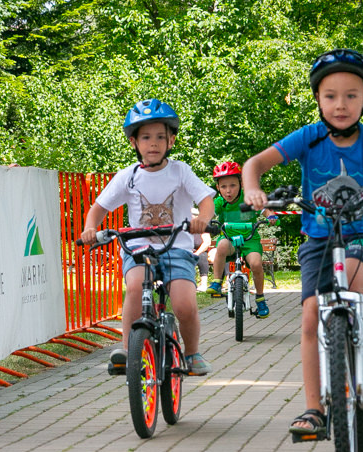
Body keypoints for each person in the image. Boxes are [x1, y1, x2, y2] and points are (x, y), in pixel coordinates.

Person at [243, 49, 363, 437]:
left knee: (356, 281)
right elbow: (254, 164)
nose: (340, 104)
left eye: (351, 95)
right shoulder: (309, 138)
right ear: (318, 100)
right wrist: (253, 188)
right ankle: (314, 409)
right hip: (320, 239)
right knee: (310, 317)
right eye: (330, 96)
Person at [79, 98, 215, 375]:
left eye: (160, 137)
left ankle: (191, 353)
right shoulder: (127, 177)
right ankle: (128, 350)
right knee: (135, 286)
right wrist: (90, 227)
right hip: (138, 247)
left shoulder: (180, 171)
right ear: (134, 143)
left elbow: (205, 200)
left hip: (176, 246)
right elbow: (98, 209)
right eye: (145, 137)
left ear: (171, 141)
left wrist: (203, 219)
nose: (153, 143)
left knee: (184, 304)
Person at [206, 161, 273, 319]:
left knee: (256, 264)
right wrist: (204, 220)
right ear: (218, 188)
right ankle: (217, 282)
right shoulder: (219, 202)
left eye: (233, 185)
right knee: (221, 245)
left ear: (241, 184)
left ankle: (260, 298)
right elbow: (208, 213)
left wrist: (271, 216)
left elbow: (264, 209)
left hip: (250, 239)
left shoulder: (248, 198)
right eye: (223, 187)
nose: (228, 191)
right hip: (229, 238)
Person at [191, 208, 212, 292]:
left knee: (202, 256)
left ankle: (204, 284)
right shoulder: (184, 227)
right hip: (187, 250)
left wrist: (197, 253)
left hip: (199, 250)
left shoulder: (202, 228)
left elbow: (207, 242)